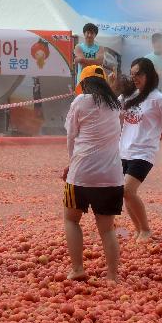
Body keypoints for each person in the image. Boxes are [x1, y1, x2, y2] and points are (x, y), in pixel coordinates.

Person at [63, 65, 123, 283]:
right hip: (111, 175)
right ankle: (112, 276)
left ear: (84, 83)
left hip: (82, 173)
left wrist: (71, 162)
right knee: (107, 230)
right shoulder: (116, 104)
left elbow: (71, 136)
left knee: (71, 219)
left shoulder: (80, 101)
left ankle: (78, 268)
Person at [119, 58, 162, 243]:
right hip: (124, 150)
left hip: (144, 152)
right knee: (124, 193)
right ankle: (138, 230)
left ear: (149, 75)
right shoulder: (129, 95)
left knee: (128, 190)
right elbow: (113, 107)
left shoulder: (158, 98)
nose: (135, 78)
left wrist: (156, 138)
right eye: (132, 74)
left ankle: (146, 229)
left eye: (139, 74)